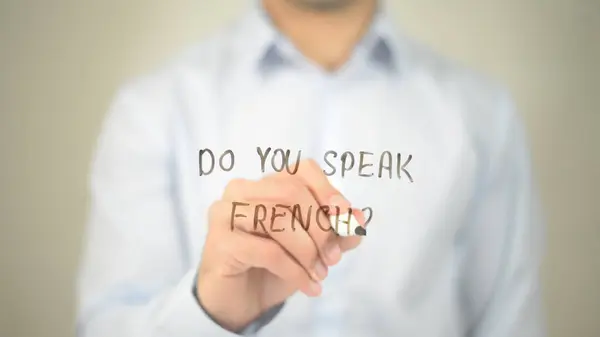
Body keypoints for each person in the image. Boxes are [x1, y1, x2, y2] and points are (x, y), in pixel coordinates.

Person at [76, 0, 546, 336]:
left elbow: (510, 323)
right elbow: (106, 327)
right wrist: (210, 313)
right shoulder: (153, 108)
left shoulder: (484, 114)